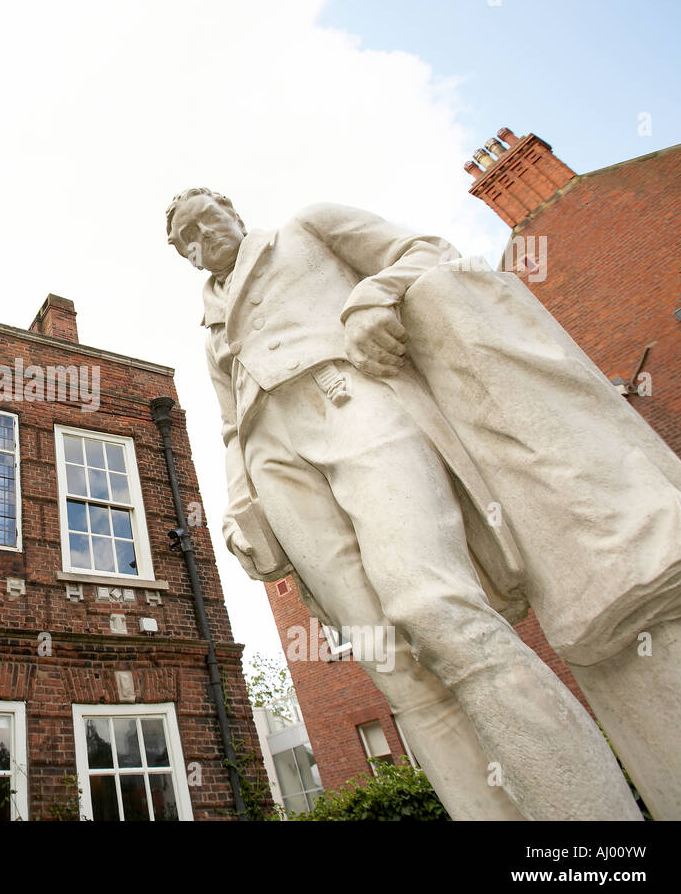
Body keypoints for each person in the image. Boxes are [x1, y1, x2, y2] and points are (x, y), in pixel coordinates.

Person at [165, 188, 649, 820]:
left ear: (231, 208)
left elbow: (429, 251)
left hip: (348, 399)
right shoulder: (210, 330)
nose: (203, 242)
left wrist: (373, 296)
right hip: (275, 464)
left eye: (206, 223)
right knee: (390, 666)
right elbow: (233, 427)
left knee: (437, 609)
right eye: (187, 243)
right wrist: (237, 504)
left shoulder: (310, 226)